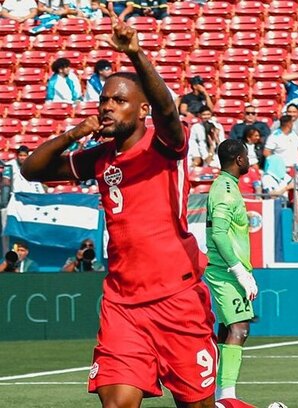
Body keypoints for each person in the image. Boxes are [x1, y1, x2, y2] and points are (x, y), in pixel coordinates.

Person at [21, 12, 217, 408]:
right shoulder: (99, 157)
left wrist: (138, 54)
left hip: (176, 297)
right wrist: (76, 132)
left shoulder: (165, 145)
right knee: (116, 404)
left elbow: (167, 112)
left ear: (142, 110)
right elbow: (32, 169)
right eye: (104, 99)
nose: (108, 106)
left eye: (119, 100)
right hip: (122, 302)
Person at [204, 139, 258, 402]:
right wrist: (239, 271)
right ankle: (227, 396)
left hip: (227, 267)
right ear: (239, 159)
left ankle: (219, 395)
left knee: (228, 329)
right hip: (225, 269)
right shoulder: (225, 190)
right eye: (247, 156)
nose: (249, 161)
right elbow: (219, 234)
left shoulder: (227, 186)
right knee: (240, 328)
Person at [264, 115, 298, 193]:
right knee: (288, 189)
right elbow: (266, 152)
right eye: (292, 122)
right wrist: (275, 164)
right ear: (289, 124)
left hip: (296, 166)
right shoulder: (274, 136)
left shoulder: (292, 134)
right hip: (283, 168)